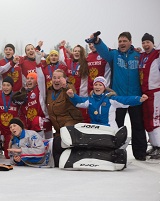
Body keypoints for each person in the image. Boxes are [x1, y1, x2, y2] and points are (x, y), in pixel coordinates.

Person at [91, 31, 148, 160]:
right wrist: (97, 41)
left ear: (130, 42)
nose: (122, 43)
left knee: (138, 125)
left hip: (135, 97)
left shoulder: (138, 56)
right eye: (120, 41)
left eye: (124, 41)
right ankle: (114, 151)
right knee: (116, 125)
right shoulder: (114, 55)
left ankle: (140, 154)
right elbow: (104, 51)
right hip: (118, 97)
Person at [66, 76, 148, 130]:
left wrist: (139, 99)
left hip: (109, 129)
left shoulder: (111, 99)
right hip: (95, 129)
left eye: (100, 85)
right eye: (96, 85)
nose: (97, 87)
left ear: (104, 87)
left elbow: (125, 100)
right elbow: (79, 102)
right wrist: (72, 95)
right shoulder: (90, 99)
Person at [45, 69, 83, 166]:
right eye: (54, 78)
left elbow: (71, 91)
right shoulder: (49, 91)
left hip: (69, 123)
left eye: (59, 78)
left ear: (64, 79)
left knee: (65, 137)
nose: (56, 80)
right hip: (58, 128)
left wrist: (66, 85)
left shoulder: (68, 89)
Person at [139, 33, 160, 160]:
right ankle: (154, 144)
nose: (146, 45)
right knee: (147, 120)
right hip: (144, 92)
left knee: (155, 119)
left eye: (148, 42)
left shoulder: (157, 55)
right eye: (143, 42)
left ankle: (159, 146)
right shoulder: (142, 56)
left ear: (153, 43)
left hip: (155, 91)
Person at [59, 41, 90, 122]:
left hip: (82, 94)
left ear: (82, 53)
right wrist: (62, 47)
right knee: (72, 116)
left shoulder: (86, 63)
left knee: (83, 116)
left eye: (79, 51)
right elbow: (62, 59)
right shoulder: (69, 62)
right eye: (75, 51)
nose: (76, 53)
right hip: (70, 93)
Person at [0, 76, 19, 158]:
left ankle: (6, 145)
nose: (5, 87)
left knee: (8, 156)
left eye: (8, 85)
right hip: (0, 125)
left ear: (12, 86)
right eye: (4, 85)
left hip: (10, 128)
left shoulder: (16, 96)